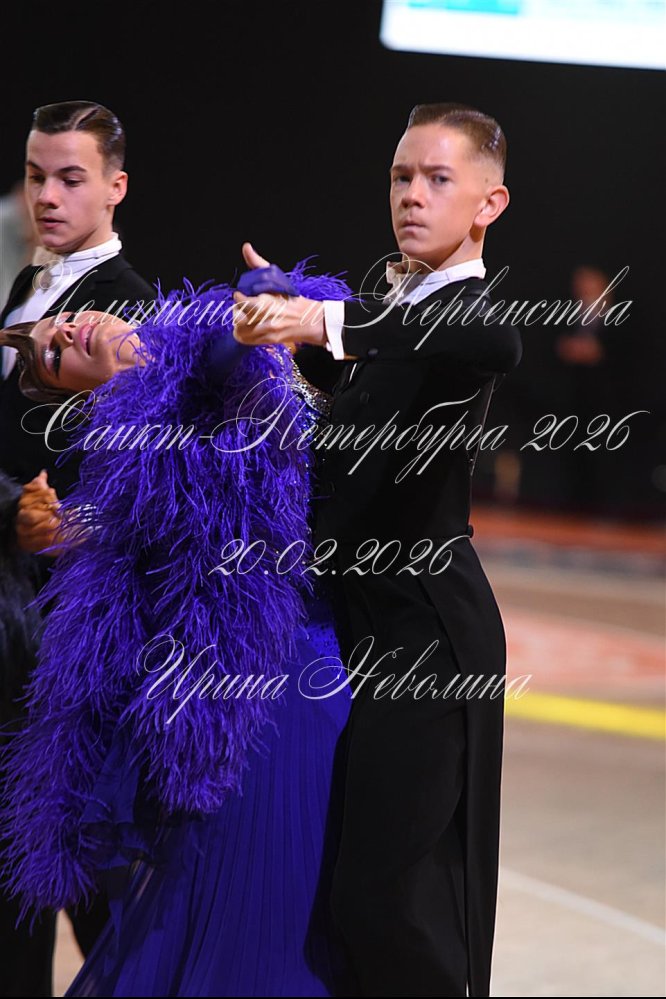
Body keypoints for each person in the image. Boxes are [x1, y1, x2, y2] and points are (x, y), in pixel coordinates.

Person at [0, 263, 358, 997]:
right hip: (251, 686)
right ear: (75, 391)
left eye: (60, 323)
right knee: (237, 917)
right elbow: (208, 363)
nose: (67, 333)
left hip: (311, 655)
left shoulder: (189, 345)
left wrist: (259, 301)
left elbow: (221, 349)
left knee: (290, 908)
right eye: (55, 356)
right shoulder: (132, 436)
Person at [232, 102, 523, 997]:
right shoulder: (397, 310)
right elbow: (366, 395)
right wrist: (283, 311)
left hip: (428, 636)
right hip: (363, 627)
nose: (412, 195)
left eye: (438, 179)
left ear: (489, 203)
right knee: (353, 897)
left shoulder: (468, 313)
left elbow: (493, 340)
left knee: (391, 901)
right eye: (401, 176)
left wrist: (318, 321)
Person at [0, 100, 155, 991]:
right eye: (35, 176)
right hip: (15, 601)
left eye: (70, 178)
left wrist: (72, 526)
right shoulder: (30, 282)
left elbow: (137, 468)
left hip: (66, 622)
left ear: (116, 186)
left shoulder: (127, 309)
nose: (48, 196)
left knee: (81, 872)